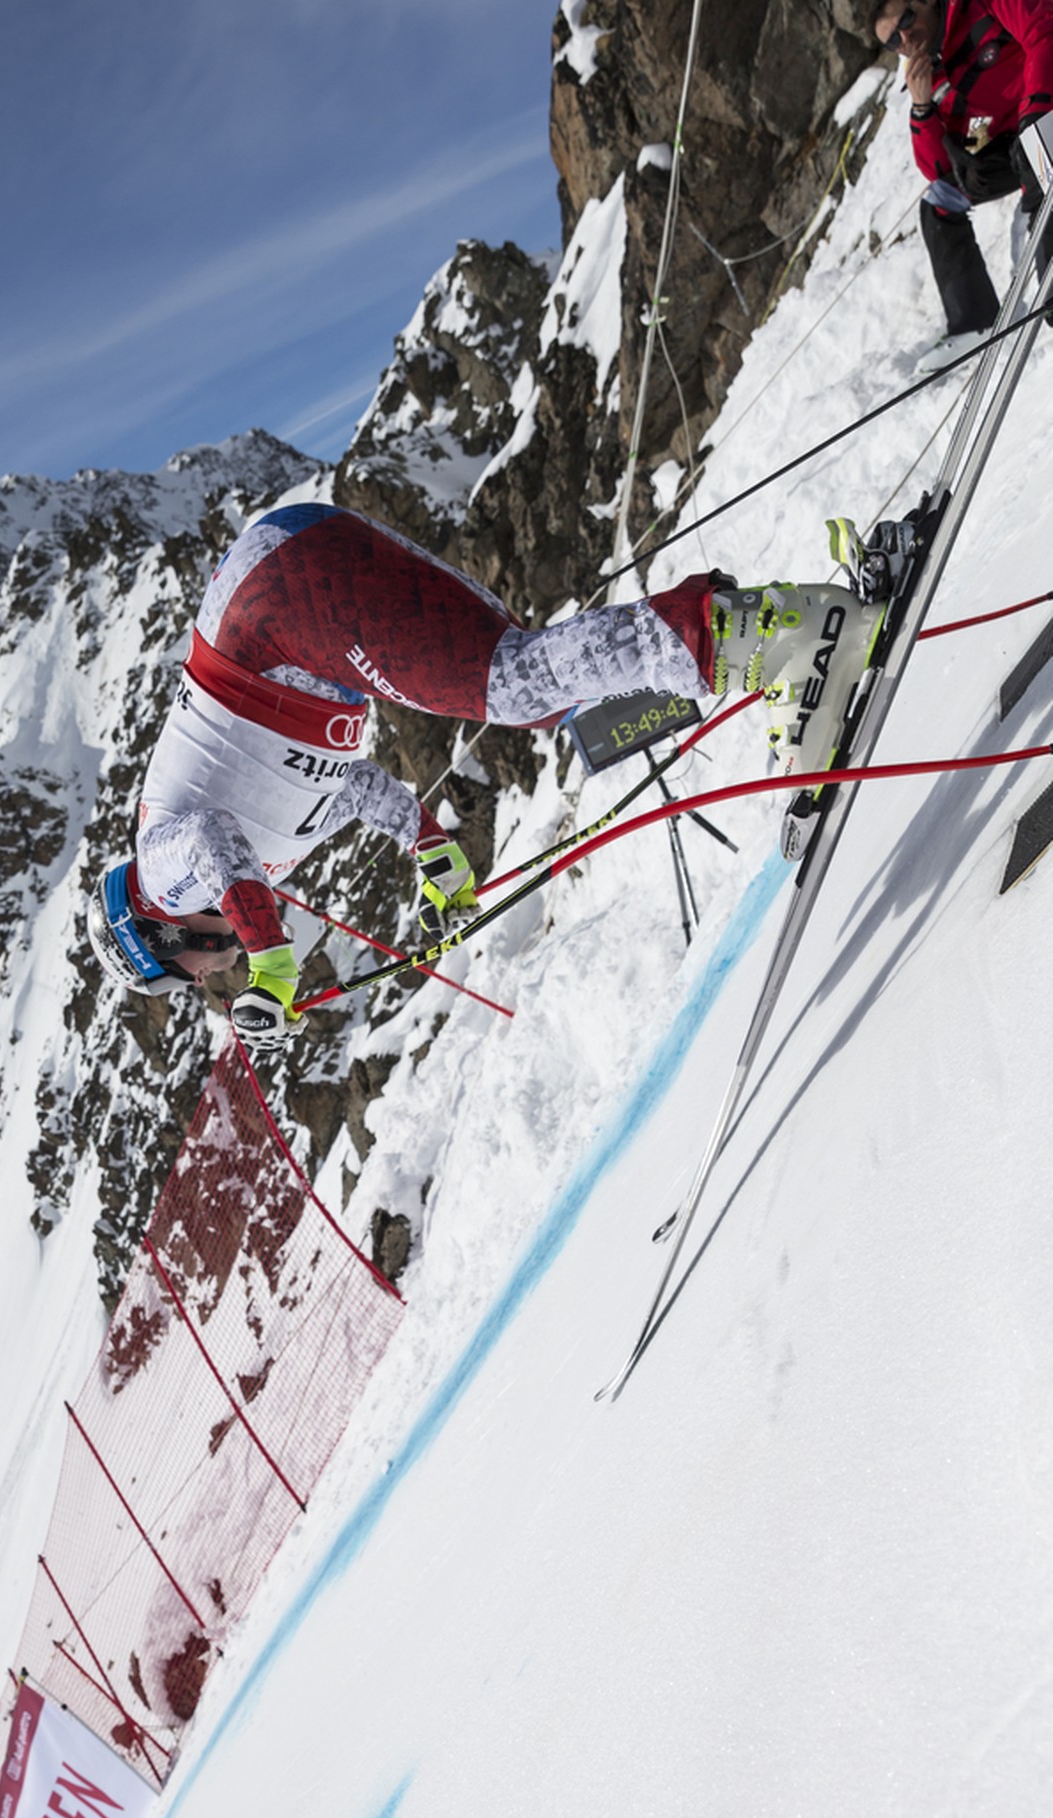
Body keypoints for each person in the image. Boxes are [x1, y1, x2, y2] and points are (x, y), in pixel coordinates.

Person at [85, 504, 873, 1044]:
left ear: (156, 935)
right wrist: (427, 842)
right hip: (287, 591)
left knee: (515, 679)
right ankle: (769, 633)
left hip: (276, 603)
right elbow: (345, 787)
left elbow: (206, 840)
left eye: (180, 977)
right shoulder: (249, 857)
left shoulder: (163, 874)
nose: (203, 982)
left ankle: (782, 634)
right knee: (526, 690)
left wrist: (271, 957)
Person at [875, 0, 1053, 370]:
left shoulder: (976, 7)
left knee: (1033, 159)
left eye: (906, 20)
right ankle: (975, 321)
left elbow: (1043, 29)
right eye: (893, 41)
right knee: (939, 202)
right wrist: (922, 108)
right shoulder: (932, 75)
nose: (905, 37)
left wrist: (1035, 108)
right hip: (1012, 144)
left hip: (1043, 108)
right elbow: (938, 169)